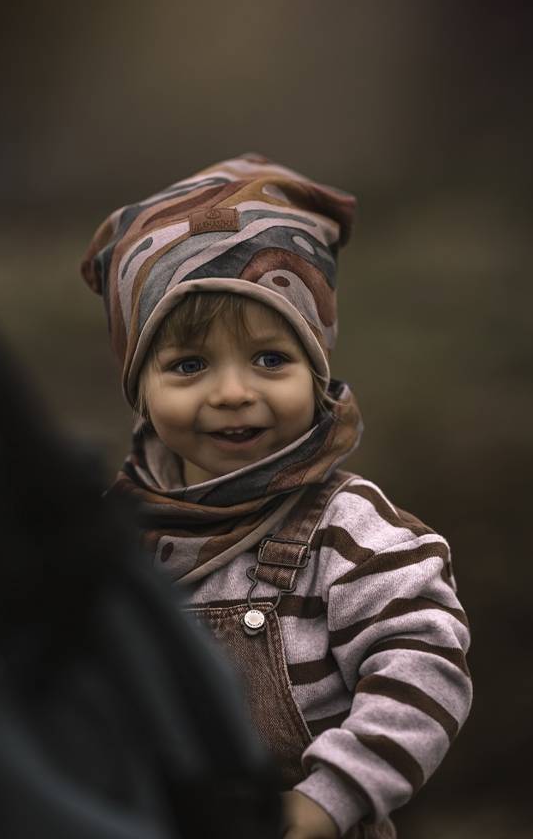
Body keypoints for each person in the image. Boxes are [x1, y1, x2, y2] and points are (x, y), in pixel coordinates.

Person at [80, 153, 472, 838]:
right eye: (189, 364)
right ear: (139, 386)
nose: (233, 392)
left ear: (316, 370)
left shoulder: (348, 530)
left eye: (270, 358)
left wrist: (332, 795)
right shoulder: (108, 537)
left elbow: (423, 665)